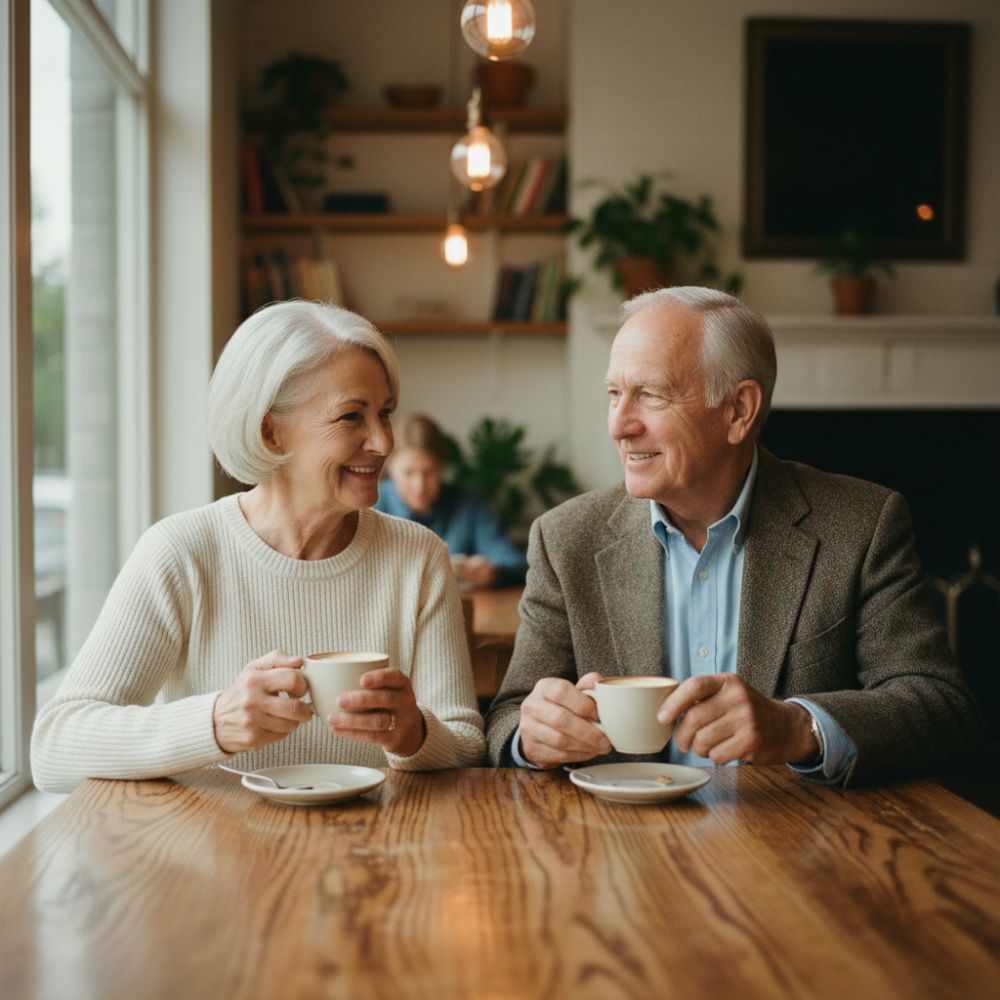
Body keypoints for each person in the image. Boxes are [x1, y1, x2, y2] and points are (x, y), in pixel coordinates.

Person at [485, 286, 981, 785]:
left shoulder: (861, 525)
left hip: (794, 829)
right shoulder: (566, 538)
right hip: (618, 830)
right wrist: (533, 736)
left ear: (739, 410)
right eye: (615, 394)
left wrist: (798, 727)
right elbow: (508, 715)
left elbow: (943, 709)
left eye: (651, 394)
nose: (619, 425)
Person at [32, 301, 485, 793]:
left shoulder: (418, 556)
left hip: (375, 839)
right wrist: (215, 723)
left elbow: (467, 746)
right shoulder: (182, 552)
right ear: (271, 433)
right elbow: (54, 749)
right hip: (210, 841)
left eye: (385, 413)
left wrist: (413, 733)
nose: (382, 442)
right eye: (352, 416)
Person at [375, 413, 527, 589]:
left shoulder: (468, 505)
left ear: (442, 468)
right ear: (390, 467)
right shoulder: (371, 505)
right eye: (409, 473)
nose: (419, 486)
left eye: (429, 472)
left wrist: (493, 572)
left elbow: (514, 563)